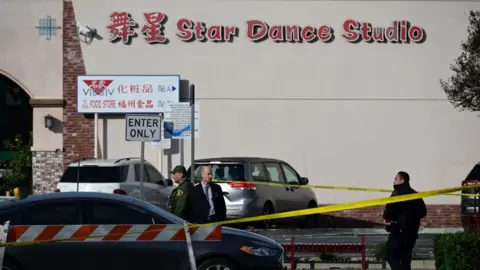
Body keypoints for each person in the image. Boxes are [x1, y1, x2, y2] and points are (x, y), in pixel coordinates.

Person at [383, 171, 427, 270]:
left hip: (398, 230)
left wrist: (388, 220)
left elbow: (388, 212)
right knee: (406, 259)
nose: (393, 181)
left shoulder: (396, 194)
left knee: (391, 255)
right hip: (412, 232)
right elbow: (423, 212)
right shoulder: (415, 194)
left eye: (395, 179)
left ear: (402, 180)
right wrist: (413, 219)